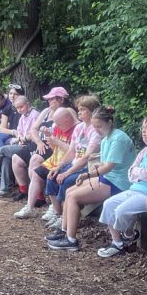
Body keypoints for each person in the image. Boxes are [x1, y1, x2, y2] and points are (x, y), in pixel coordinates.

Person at [84, 116, 147, 257]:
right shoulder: (145, 151)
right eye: (142, 128)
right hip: (136, 190)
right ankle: (117, 244)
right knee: (108, 204)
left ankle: (129, 234)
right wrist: (138, 172)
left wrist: (137, 172)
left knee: (121, 211)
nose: (143, 131)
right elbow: (130, 173)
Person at [44, 106, 137, 251]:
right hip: (109, 177)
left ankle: (71, 240)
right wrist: (97, 166)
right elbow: (105, 163)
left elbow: (108, 167)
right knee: (69, 192)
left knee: (74, 197)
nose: (97, 130)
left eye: (99, 126)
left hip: (119, 182)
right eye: (94, 127)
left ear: (110, 122)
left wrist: (87, 174)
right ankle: (64, 232)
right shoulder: (107, 138)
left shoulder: (118, 139)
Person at [40, 95, 102, 231]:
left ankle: (66, 218)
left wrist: (67, 172)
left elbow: (87, 157)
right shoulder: (79, 128)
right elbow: (72, 151)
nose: (79, 112)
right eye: (78, 109)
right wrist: (59, 167)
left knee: (66, 180)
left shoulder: (96, 130)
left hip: (88, 167)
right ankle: (58, 213)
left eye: (83, 110)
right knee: (52, 176)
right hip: (75, 164)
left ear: (92, 111)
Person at [10, 86, 75, 203]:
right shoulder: (46, 111)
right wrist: (39, 142)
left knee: (35, 159)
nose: (49, 101)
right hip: (38, 142)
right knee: (16, 158)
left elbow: (77, 128)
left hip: (54, 145)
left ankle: (39, 197)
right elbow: (33, 129)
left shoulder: (68, 112)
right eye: (48, 99)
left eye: (52, 99)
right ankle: (23, 190)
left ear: (61, 99)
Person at [14, 107, 78, 219]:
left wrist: (56, 141)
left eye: (58, 123)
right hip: (55, 160)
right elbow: (55, 149)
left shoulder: (77, 129)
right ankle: (29, 207)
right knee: (36, 173)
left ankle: (55, 210)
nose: (56, 126)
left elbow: (74, 152)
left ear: (67, 120)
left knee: (52, 177)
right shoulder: (59, 127)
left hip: (67, 162)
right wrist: (50, 137)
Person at [0, 96, 39, 197]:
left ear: (27, 104)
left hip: (32, 146)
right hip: (22, 143)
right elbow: (19, 131)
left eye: (21, 107)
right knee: (6, 158)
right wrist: (19, 139)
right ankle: (5, 189)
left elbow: (34, 133)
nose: (20, 109)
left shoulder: (35, 115)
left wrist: (23, 139)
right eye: (18, 108)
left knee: (3, 150)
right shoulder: (23, 116)